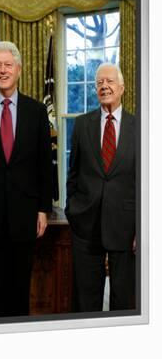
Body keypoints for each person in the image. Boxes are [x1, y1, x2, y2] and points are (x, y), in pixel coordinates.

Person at [0, 41, 52, 318]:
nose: (2, 70)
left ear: (19, 69)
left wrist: (43, 208)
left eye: (8, 65)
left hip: (24, 216)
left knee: (19, 290)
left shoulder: (37, 111)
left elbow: (44, 164)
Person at [65, 63, 136, 312]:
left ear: (122, 88)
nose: (104, 86)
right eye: (99, 83)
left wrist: (142, 228)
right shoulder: (83, 125)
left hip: (126, 227)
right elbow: (72, 174)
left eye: (109, 82)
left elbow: (145, 183)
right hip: (86, 224)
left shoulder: (140, 128)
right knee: (86, 300)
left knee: (124, 300)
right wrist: (72, 209)